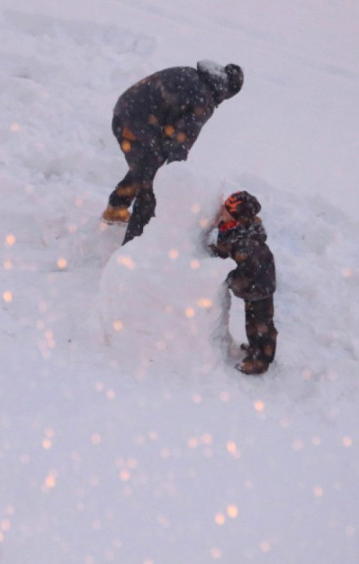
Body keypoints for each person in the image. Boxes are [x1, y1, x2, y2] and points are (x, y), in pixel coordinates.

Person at [103, 60, 245, 244]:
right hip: (137, 126)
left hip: (125, 113)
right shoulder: (204, 98)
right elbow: (181, 141)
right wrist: (174, 177)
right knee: (151, 188)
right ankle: (132, 249)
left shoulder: (193, 74)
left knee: (147, 165)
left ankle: (116, 208)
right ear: (228, 92)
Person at [209, 191, 277, 375]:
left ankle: (259, 361)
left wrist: (229, 279)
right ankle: (262, 351)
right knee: (256, 323)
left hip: (259, 285)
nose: (222, 209)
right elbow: (227, 250)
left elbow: (247, 271)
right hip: (256, 283)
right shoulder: (233, 229)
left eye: (226, 209)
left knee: (260, 325)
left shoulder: (246, 243)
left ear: (237, 217)